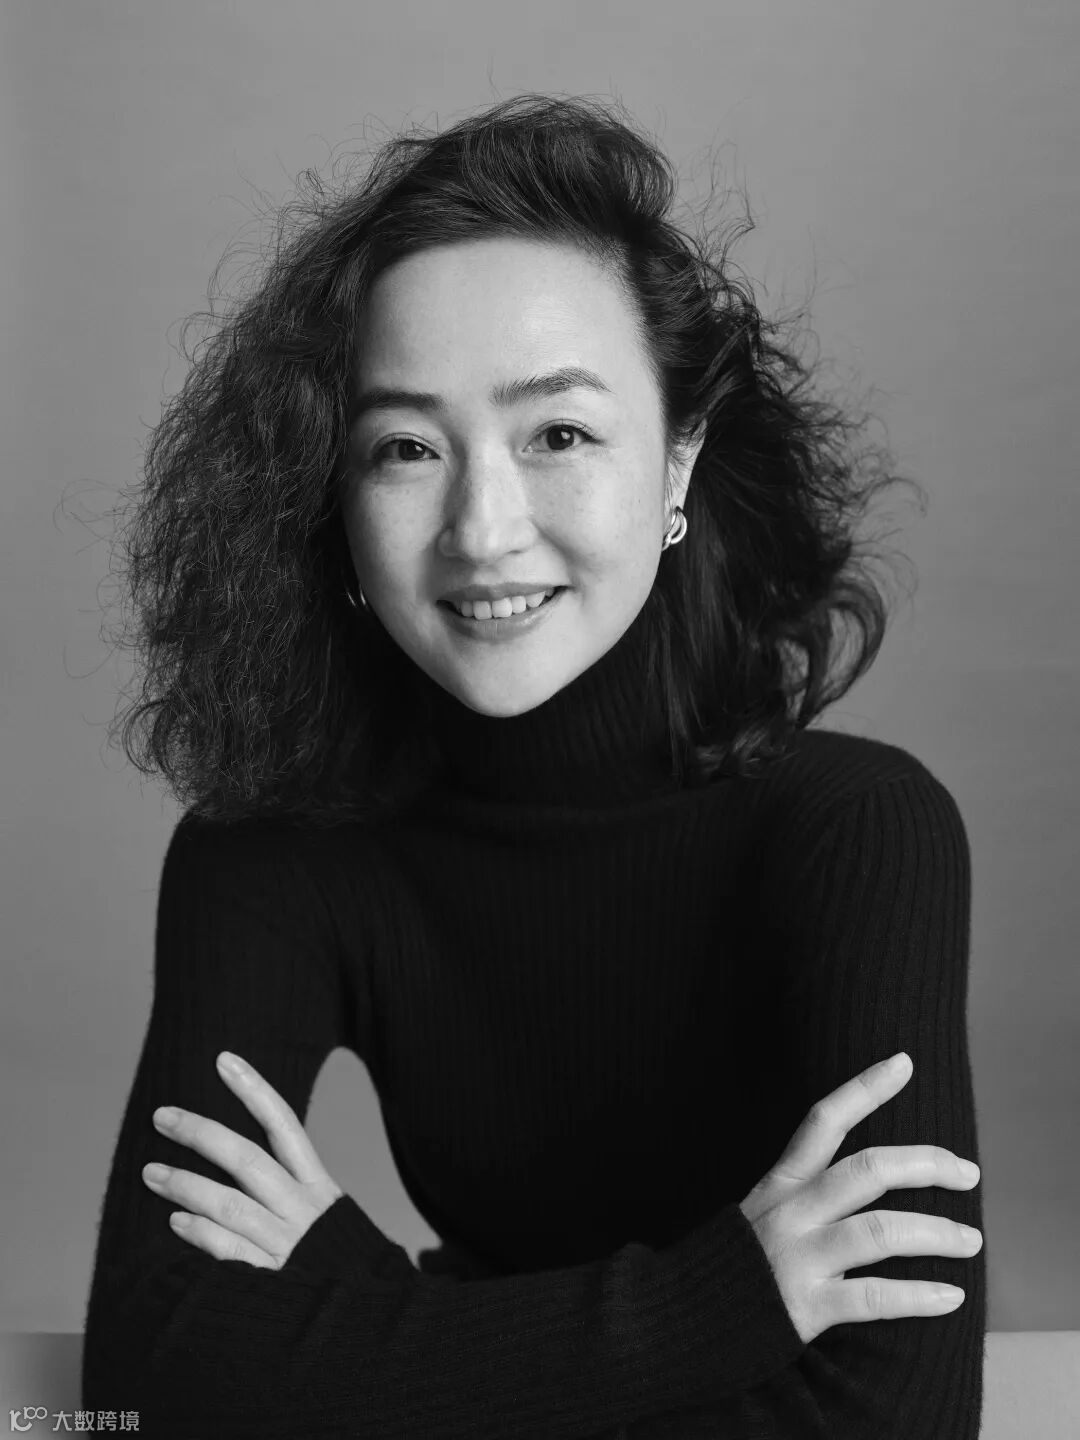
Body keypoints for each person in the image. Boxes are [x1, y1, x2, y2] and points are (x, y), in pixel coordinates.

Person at [81, 94, 985, 1437]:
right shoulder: (272, 847)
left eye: (558, 433)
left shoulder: (859, 833)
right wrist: (727, 1302)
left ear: (676, 463)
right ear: (332, 498)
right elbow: (148, 1377)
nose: (482, 531)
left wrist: (351, 1301)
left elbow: (891, 1423)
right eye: (405, 448)